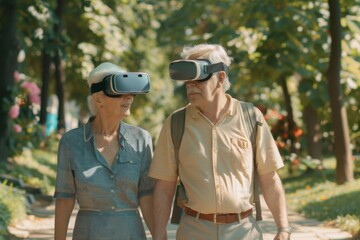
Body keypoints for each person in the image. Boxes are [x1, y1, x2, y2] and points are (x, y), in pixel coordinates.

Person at [149, 44, 291, 240]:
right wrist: (158, 236)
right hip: (194, 231)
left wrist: (283, 229)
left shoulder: (250, 117)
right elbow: (164, 187)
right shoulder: (175, 123)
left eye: (198, 78)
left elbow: (269, 177)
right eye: (188, 80)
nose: (190, 85)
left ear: (220, 78)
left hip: (244, 231)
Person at [54, 62, 155, 240]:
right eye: (120, 92)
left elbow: (147, 196)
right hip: (89, 233)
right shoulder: (71, 142)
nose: (129, 97)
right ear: (98, 99)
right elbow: (65, 198)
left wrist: (160, 237)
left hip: (131, 233)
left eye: (131, 92)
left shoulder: (142, 139)